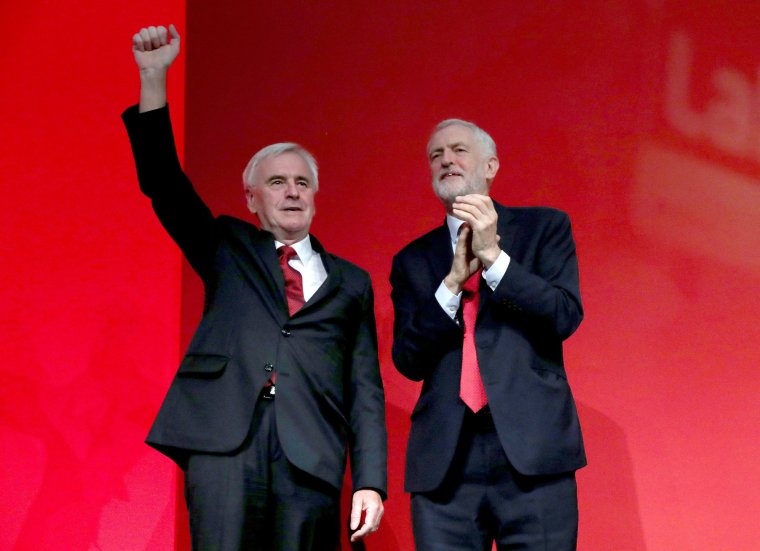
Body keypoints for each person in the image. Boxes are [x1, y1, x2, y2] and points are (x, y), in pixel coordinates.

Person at [122, 25, 387, 550]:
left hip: (310, 453)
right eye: (276, 182)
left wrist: (372, 481)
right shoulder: (227, 247)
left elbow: (366, 390)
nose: (292, 192)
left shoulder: (352, 283)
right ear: (251, 200)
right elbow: (164, 183)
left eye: (302, 182)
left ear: (315, 195)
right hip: (225, 444)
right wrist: (153, 80)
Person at [390, 119, 585, 550]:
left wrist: (495, 260)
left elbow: (563, 315)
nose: (445, 160)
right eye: (436, 155)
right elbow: (408, 358)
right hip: (445, 466)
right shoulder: (412, 261)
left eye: (458, 150)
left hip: (533, 458)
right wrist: (451, 285)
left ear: (491, 165)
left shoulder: (544, 229)